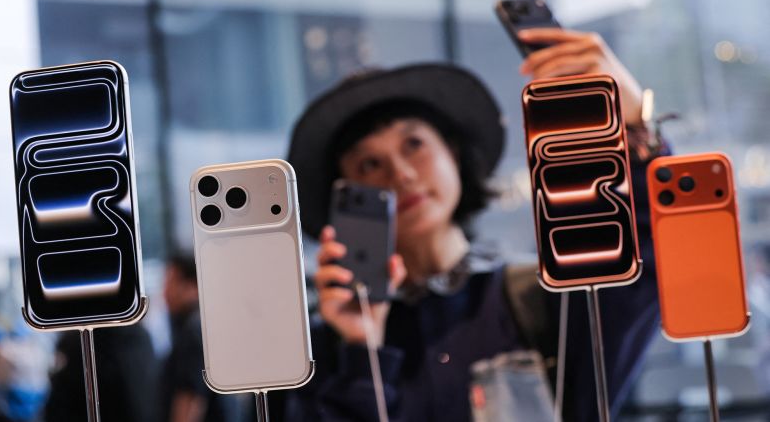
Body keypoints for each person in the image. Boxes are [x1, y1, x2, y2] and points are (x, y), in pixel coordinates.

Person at [283, 28, 668, 421]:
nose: (400, 174)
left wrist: (636, 129)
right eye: (369, 164)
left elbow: (647, 261)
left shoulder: (536, 299)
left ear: (452, 154)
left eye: (413, 144)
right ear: (345, 197)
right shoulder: (319, 350)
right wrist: (361, 352)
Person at [158, 254, 242, 422]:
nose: (165, 291)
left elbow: (190, 398)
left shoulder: (193, 329)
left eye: (171, 282)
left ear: (192, 286)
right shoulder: (202, 323)